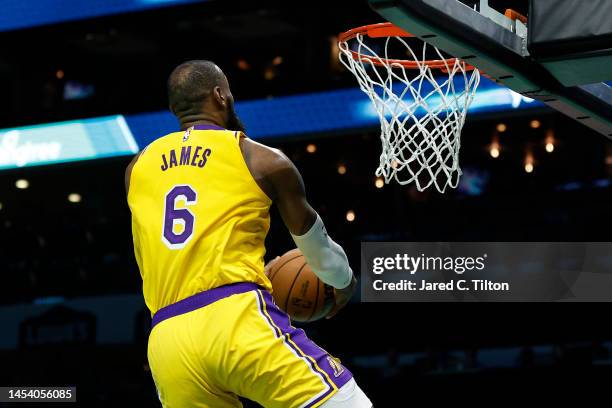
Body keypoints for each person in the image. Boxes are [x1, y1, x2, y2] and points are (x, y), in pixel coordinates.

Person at [126, 60, 372, 407]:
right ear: (220, 95)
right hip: (234, 317)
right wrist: (344, 280)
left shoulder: (136, 168)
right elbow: (315, 246)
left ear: (173, 108)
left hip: (167, 341)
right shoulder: (262, 159)